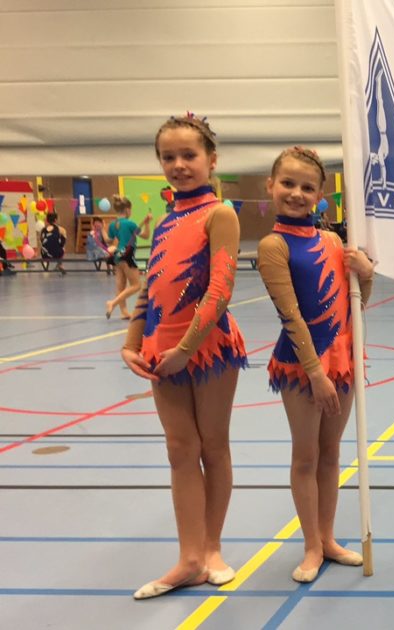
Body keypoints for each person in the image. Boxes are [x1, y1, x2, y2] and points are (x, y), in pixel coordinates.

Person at [122, 113, 248, 599]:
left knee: (212, 446)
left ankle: (211, 549)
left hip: (207, 346)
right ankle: (189, 558)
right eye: (168, 157)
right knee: (180, 450)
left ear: (211, 160)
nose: (178, 164)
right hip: (162, 350)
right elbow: (150, 289)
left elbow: (220, 289)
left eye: (189, 155)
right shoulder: (167, 221)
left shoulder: (220, 215)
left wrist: (187, 348)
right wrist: (132, 341)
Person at [256, 146, 375, 582]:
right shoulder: (273, 246)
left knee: (331, 453)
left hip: (341, 362)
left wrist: (366, 275)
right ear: (270, 185)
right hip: (301, 364)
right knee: (306, 455)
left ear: (321, 196)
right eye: (288, 183)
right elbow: (290, 315)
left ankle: (327, 538)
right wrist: (315, 373)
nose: (296, 193)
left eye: (307, 187)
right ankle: (310, 545)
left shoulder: (332, 242)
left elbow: (356, 307)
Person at [105, 195, 151, 319]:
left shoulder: (113, 225)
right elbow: (146, 236)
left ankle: (124, 312)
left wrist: (102, 231)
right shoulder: (130, 224)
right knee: (136, 285)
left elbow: (109, 240)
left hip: (117, 256)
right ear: (127, 210)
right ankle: (112, 303)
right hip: (127, 255)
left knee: (121, 286)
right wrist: (147, 223)